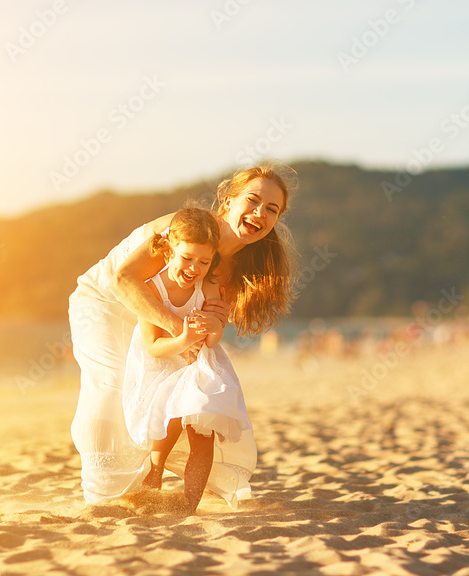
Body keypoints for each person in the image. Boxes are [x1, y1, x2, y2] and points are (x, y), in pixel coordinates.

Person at [68, 164, 298, 505]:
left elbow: (204, 322)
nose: (259, 213)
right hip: (105, 302)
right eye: (252, 200)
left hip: (161, 322)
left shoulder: (234, 268)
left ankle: (142, 486)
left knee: (174, 392)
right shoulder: (185, 227)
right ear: (228, 199)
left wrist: (214, 325)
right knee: (112, 384)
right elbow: (124, 280)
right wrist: (181, 334)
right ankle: (99, 495)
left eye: (271, 209)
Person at [122, 207, 253, 510]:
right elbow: (153, 346)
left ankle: (189, 503)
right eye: (187, 258)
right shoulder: (151, 290)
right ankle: (154, 475)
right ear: (168, 253)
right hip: (162, 364)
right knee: (169, 424)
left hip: (199, 366)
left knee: (202, 434)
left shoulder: (207, 286)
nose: (195, 268)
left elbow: (213, 338)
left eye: (204, 262)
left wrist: (216, 328)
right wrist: (183, 340)